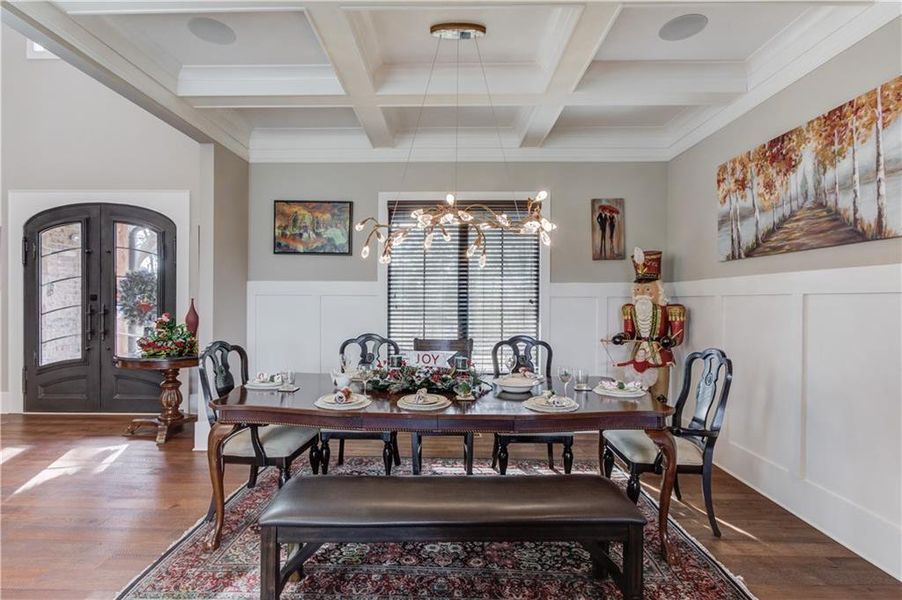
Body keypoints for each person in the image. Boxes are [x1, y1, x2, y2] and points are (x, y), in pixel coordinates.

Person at [612, 247, 687, 402]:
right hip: (637, 356)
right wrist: (622, 337)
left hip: (659, 357)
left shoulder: (672, 310)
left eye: (647, 289)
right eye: (638, 290)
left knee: (659, 396)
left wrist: (669, 341)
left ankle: (658, 417)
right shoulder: (630, 309)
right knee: (637, 396)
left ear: (659, 290)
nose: (641, 294)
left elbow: (677, 336)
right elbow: (630, 332)